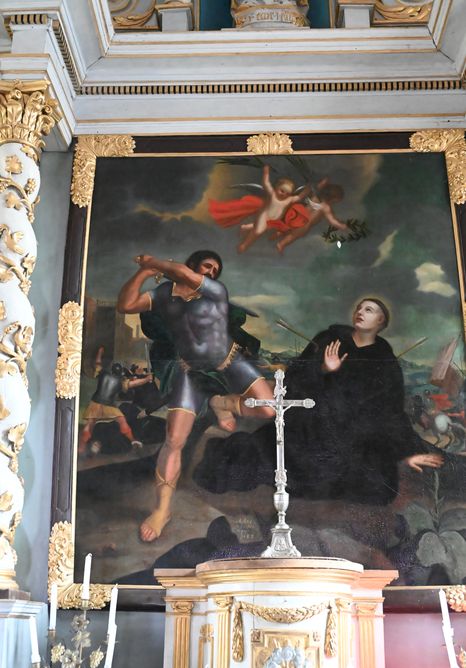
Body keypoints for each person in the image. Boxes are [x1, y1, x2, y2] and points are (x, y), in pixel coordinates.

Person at [194, 298, 444, 505]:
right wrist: (323, 369)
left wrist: (408, 454)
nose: (360, 311)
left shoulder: (386, 362)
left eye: (369, 310)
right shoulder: (329, 339)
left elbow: (391, 412)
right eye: (359, 307)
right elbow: (294, 378)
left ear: (381, 322)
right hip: (311, 427)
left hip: (352, 436)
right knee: (267, 462)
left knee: (377, 486)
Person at [117, 250, 275, 542]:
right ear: (192, 264)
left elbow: (183, 274)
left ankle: (222, 402)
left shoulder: (215, 291)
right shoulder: (164, 294)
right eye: (207, 266)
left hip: (228, 362)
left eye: (216, 269)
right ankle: (162, 510)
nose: (212, 272)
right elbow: (126, 304)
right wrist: (144, 273)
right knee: (174, 440)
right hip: (190, 371)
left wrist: (154, 263)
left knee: (268, 408)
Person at [208, 165, 312, 254]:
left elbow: (300, 196)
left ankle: (245, 227)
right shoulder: (272, 195)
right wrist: (266, 172)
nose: (284, 194)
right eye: (282, 191)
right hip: (265, 215)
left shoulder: (289, 200)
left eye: (287, 193)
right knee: (258, 231)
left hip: (274, 221)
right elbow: (266, 183)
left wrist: (308, 189)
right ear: (276, 188)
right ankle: (244, 245)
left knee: (274, 228)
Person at [78, 348, 153, 456]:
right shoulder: (120, 381)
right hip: (109, 406)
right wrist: (147, 379)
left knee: (89, 425)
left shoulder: (103, 374)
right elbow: (134, 384)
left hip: (95, 403)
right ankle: (133, 440)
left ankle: (81, 447)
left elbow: (97, 363)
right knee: (123, 422)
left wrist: (99, 352)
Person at [272, 179, 347, 254]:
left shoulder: (315, 197)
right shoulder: (325, 207)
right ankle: (281, 245)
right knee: (293, 236)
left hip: (297, 214)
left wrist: (323, 183)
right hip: (305, 223)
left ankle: (277, 234)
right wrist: (342, 226)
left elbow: (317, 187)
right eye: (335, 202)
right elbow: (332, 221)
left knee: (288, 227)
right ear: (332, 199)